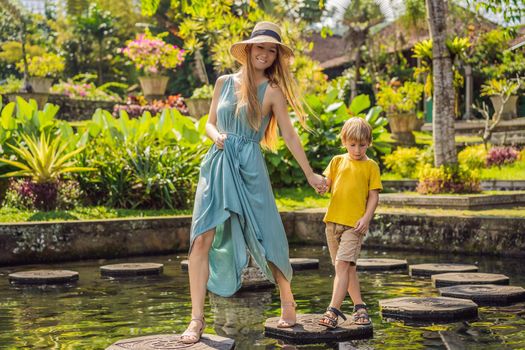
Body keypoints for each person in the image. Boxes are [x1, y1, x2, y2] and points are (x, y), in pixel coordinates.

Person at [180, 21, 327, 344]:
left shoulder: (272, 90)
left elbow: (288, 134)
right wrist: (215, 134)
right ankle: (196, 320)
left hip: (249, 166)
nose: (264, 54)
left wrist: (310, 174)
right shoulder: (223, 82)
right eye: (259, 47)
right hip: (218, 164)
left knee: (266, 232)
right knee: (200, 238)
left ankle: (287, 298)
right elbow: (209, 122)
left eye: (271, 49)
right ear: (248, 50)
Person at [317, 117, 382, 328]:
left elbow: (374, 196)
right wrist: (321, 186)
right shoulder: (337, 161)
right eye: (352, 144)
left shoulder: (371, 166)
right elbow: (327, 184)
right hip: (332, 223)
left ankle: (333, 310)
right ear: (344, 141)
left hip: (355, 226)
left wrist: (366, 218)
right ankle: (360, 307)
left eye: (362, 145)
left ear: (369, 143)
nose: (357, 149)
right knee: (345, 269)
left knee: (343, 265)